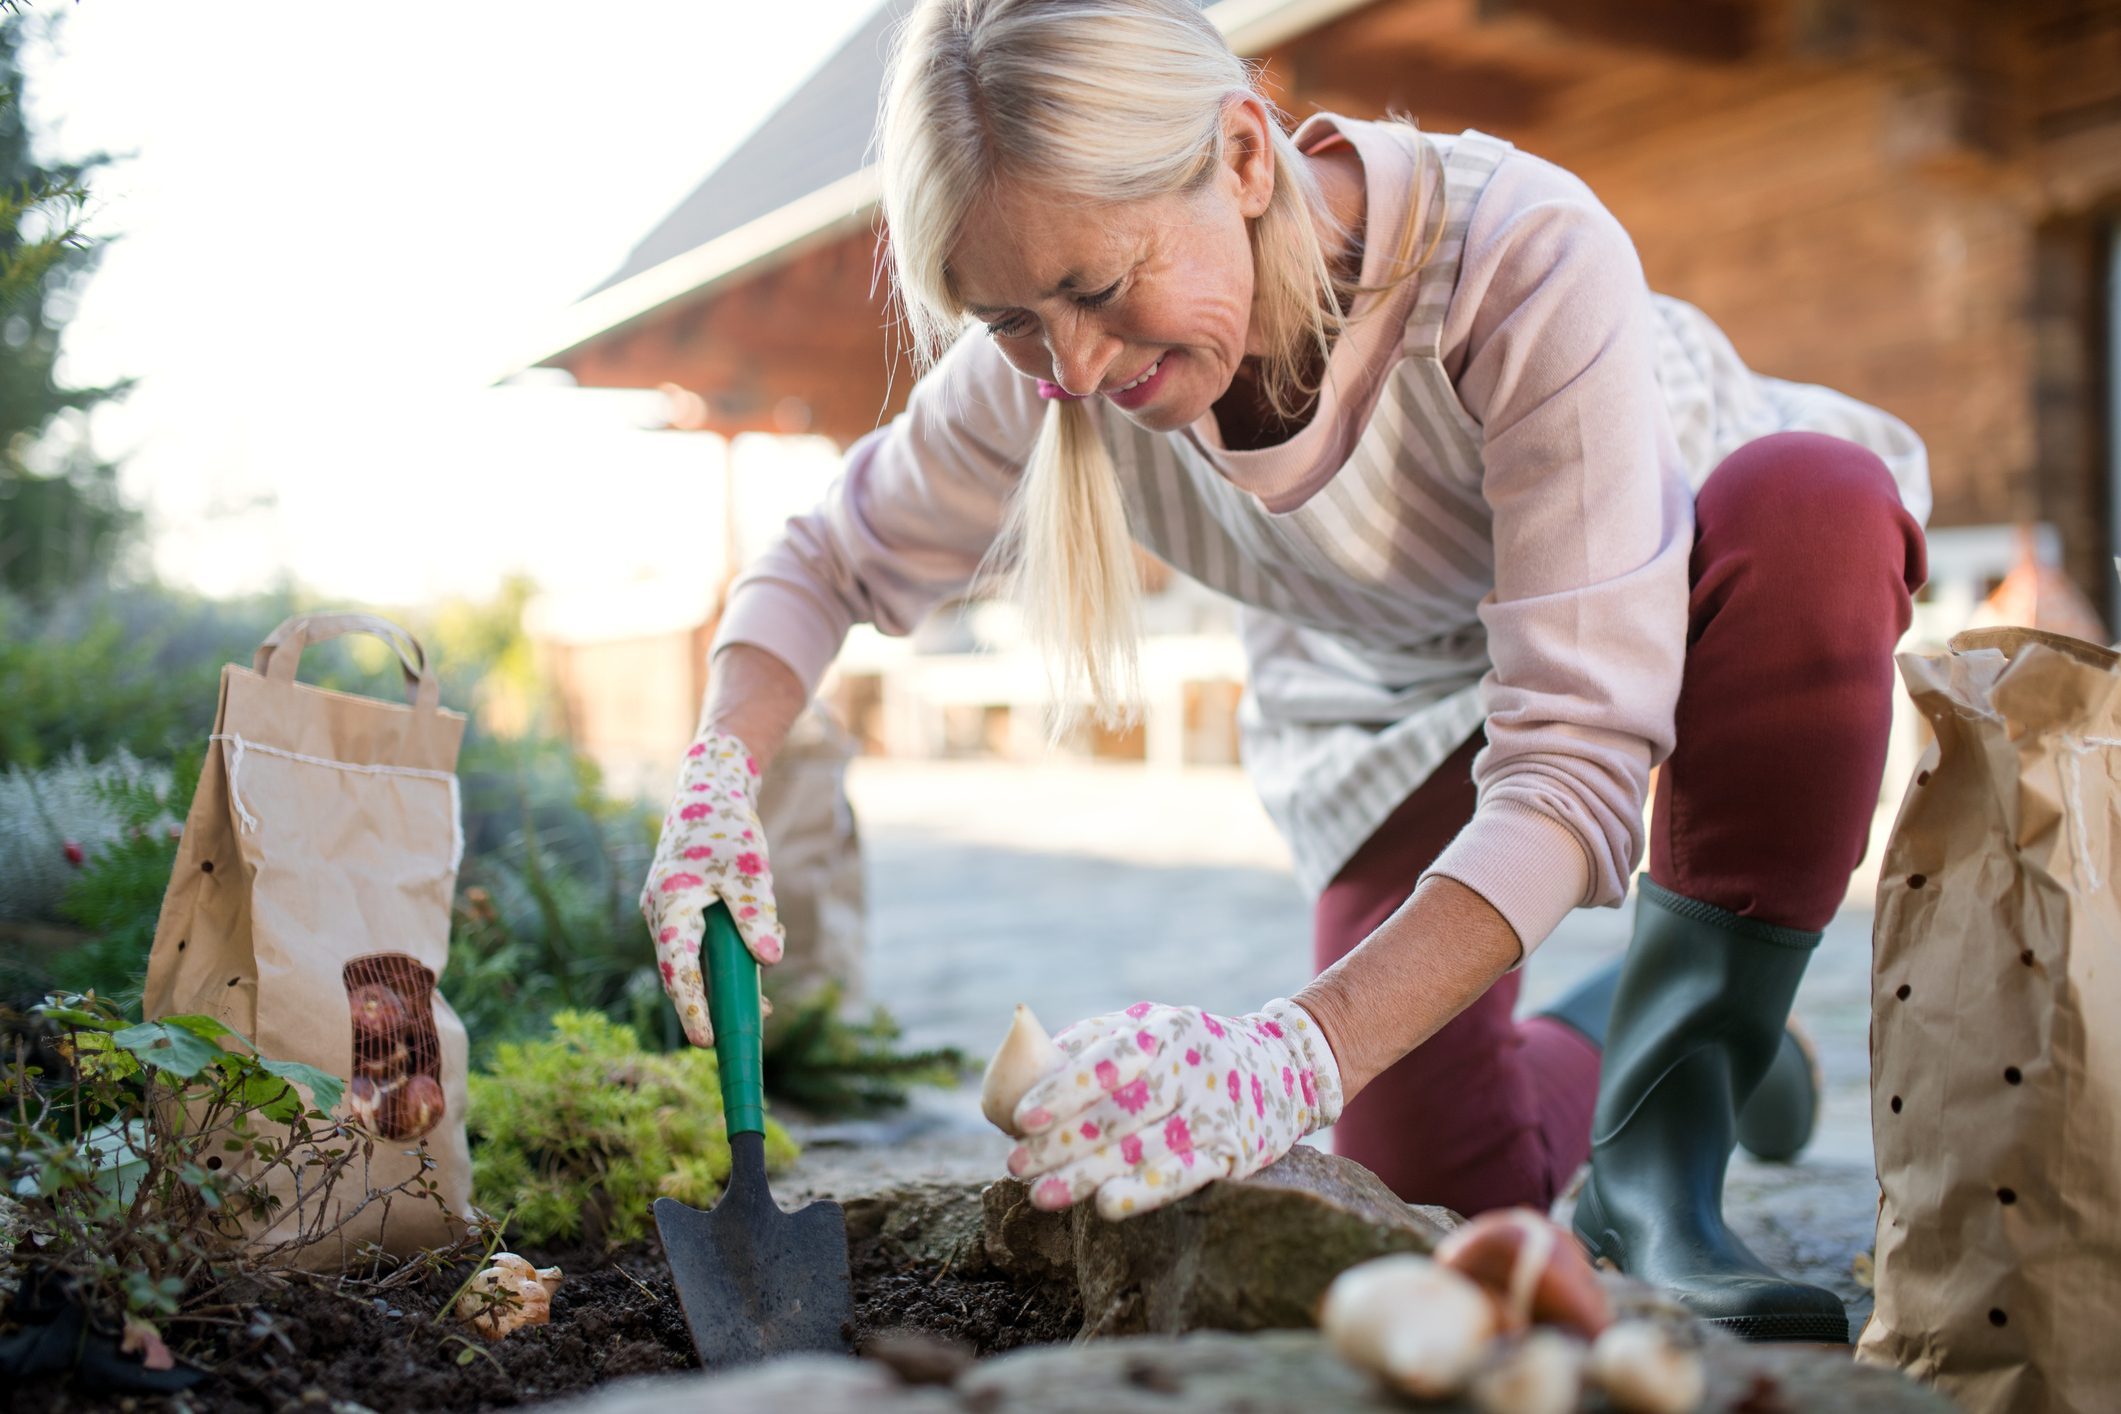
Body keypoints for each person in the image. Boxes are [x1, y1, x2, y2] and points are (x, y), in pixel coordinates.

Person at [639, 0, 1927, 1346]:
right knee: (1424, 1182)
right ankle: (1655, 1026)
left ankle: (1672, 1159)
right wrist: (721, 769)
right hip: (1392, 689)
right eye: (1011, 318)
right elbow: (821, 560)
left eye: (1094, 286)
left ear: (1243, 158)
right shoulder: (1046, 375)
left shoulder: (1516, 250)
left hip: (1687, 587)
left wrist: (1286, 1050)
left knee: (1811, 510)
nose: (1068, 367)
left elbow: (1570, 764)